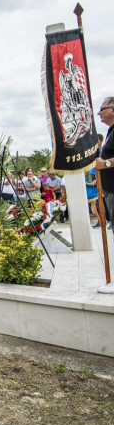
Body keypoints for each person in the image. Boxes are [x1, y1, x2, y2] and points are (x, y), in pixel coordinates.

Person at [95, 96, 114, 293]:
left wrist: (107, 163)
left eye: (103, 109)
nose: (99, 113)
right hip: (109, 189)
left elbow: (108, 160)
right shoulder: (110, 131)